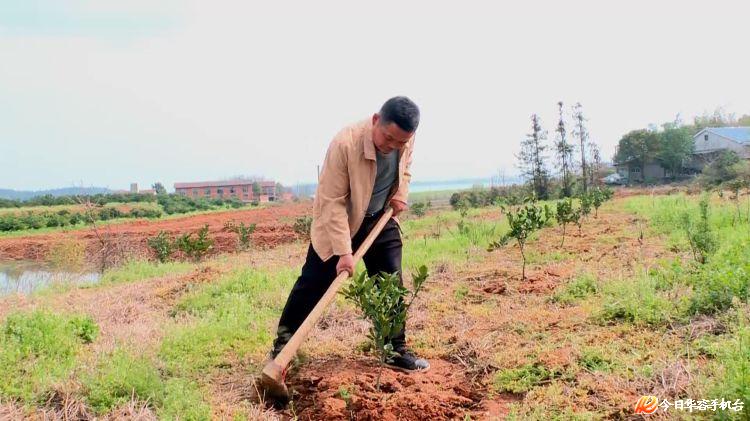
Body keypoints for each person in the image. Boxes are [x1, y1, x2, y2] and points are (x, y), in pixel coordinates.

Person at [270, 96, 429, 372]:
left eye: (399, 143)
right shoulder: (345, 144)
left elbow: (406, 166)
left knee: (391, 282)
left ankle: (394, 350)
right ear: (376, 120)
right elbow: (332, 203)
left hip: (379, 218)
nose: (392, 146)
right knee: (312, 284)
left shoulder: (405, 138)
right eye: (387, 138)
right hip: (341, 222)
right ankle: (281, 351)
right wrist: (345, 252)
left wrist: (400, 193)